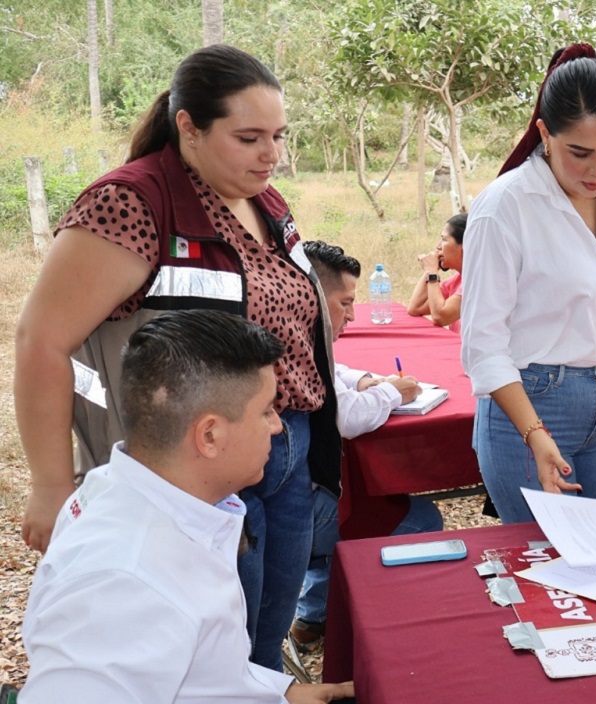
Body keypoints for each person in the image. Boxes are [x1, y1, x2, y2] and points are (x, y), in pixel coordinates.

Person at [13, 45, 340, 671]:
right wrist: (51, 485)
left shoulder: (265, 201)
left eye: (278, 136)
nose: (271, 155)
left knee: (261, 639)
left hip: (283, 448)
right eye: (249, 138)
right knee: (206, 649)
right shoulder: (131, 204)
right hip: (192, 471)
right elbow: (41, 341)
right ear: (188, 127)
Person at [19, 310, 353, 703]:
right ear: (209, 435)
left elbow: (204, 668)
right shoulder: (122, 586)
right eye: (266, 410)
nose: (277, 426)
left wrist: (283, 693)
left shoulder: (139, 491)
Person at [460, 43, 596, 524]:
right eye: (580, 153)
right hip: (530, 407)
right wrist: (536, 434)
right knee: (546, 571)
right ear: (544, 135)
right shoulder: (504, 207)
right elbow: (483, 347)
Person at [292, 241, 443, 646]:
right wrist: (393, 392)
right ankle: (386, 627)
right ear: (314, 298)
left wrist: (364, 381)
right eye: (345, 303)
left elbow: (334, 372)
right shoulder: (297, 343)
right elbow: (349, 418)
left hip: (295, 495)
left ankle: (314, 616)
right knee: (423, 520)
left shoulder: (292, 334)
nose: (352, 315)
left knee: (350, 507)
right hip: (302, 503)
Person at [407, 213, 466, 333]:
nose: (438, 246)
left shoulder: (476, 281)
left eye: (444, 240)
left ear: (465, 246)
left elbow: (440, 317)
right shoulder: (458, 279)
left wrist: (431, 272)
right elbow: (415, 308)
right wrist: (430, 270)